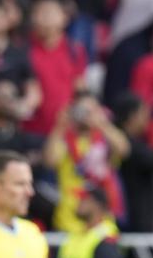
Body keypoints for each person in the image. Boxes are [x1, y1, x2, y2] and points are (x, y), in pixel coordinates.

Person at [46, 88, 130, 233]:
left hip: (102, 222)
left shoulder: (105, 139)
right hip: (69, 221)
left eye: (90, 110)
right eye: (81, 110)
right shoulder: (64, 138)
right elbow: (50, 160)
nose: (85, 115)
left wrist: (102, 124)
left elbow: (124, 150)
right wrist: (60, 126)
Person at [113, 92, 153, 234]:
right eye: (143, 114)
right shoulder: (128, 145)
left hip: (137, 215)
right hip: (134, 217)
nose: (147, 119)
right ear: (131, 116)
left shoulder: (135, 143)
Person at [24, 0, 87, 136]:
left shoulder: (75, 50)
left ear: (64, 17)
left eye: (51, 12)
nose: (46, 17)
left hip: (65, 131)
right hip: (30, 130)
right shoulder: (23, 49)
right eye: (40, 12)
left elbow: (80, 87)